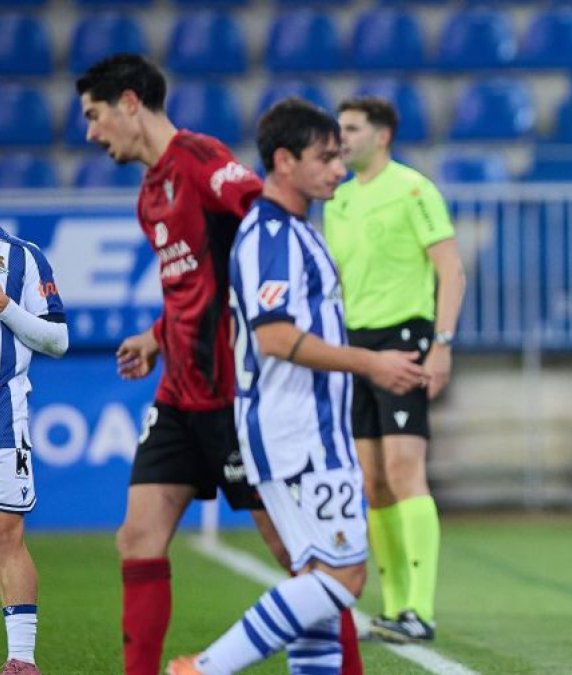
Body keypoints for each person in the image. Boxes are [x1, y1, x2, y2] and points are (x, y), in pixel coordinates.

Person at [74, 54, 362, 675]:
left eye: (96, 117)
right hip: (179, 395)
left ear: (130, 103)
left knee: (304, 558)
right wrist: (157, 335)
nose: (92, 134)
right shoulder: (150, 196)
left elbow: (266, 218)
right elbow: (194, 285)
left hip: (236, 400)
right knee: (137, 538)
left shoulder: (202, 161)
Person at [168, 98, 428, 675]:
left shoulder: (297, 232)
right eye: (326, 158)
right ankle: (206, 668)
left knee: (315, 583)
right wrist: (373, 363)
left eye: (340, 156)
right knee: (343, 577)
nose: (339, 168)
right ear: (283, 161)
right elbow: (276, 337)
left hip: (302, 428)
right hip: (298, 430)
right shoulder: (273, 237)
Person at [324, 96, 465, 642]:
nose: (342, 139)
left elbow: (451, 270)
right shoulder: (335, 201)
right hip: (354, 347)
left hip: (405, 338)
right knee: (371, 479)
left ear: (382, 135)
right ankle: (397, 606)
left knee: (405, 469)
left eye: (352, 129)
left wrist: (442, 344)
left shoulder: (413, 188)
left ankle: (422, 610)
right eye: (339, 130)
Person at [0, 231, 69, 675]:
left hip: (4, 413)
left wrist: (5, 308)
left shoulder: (24, 257)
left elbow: (58, 341)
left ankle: (21, 658)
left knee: (7, 532)